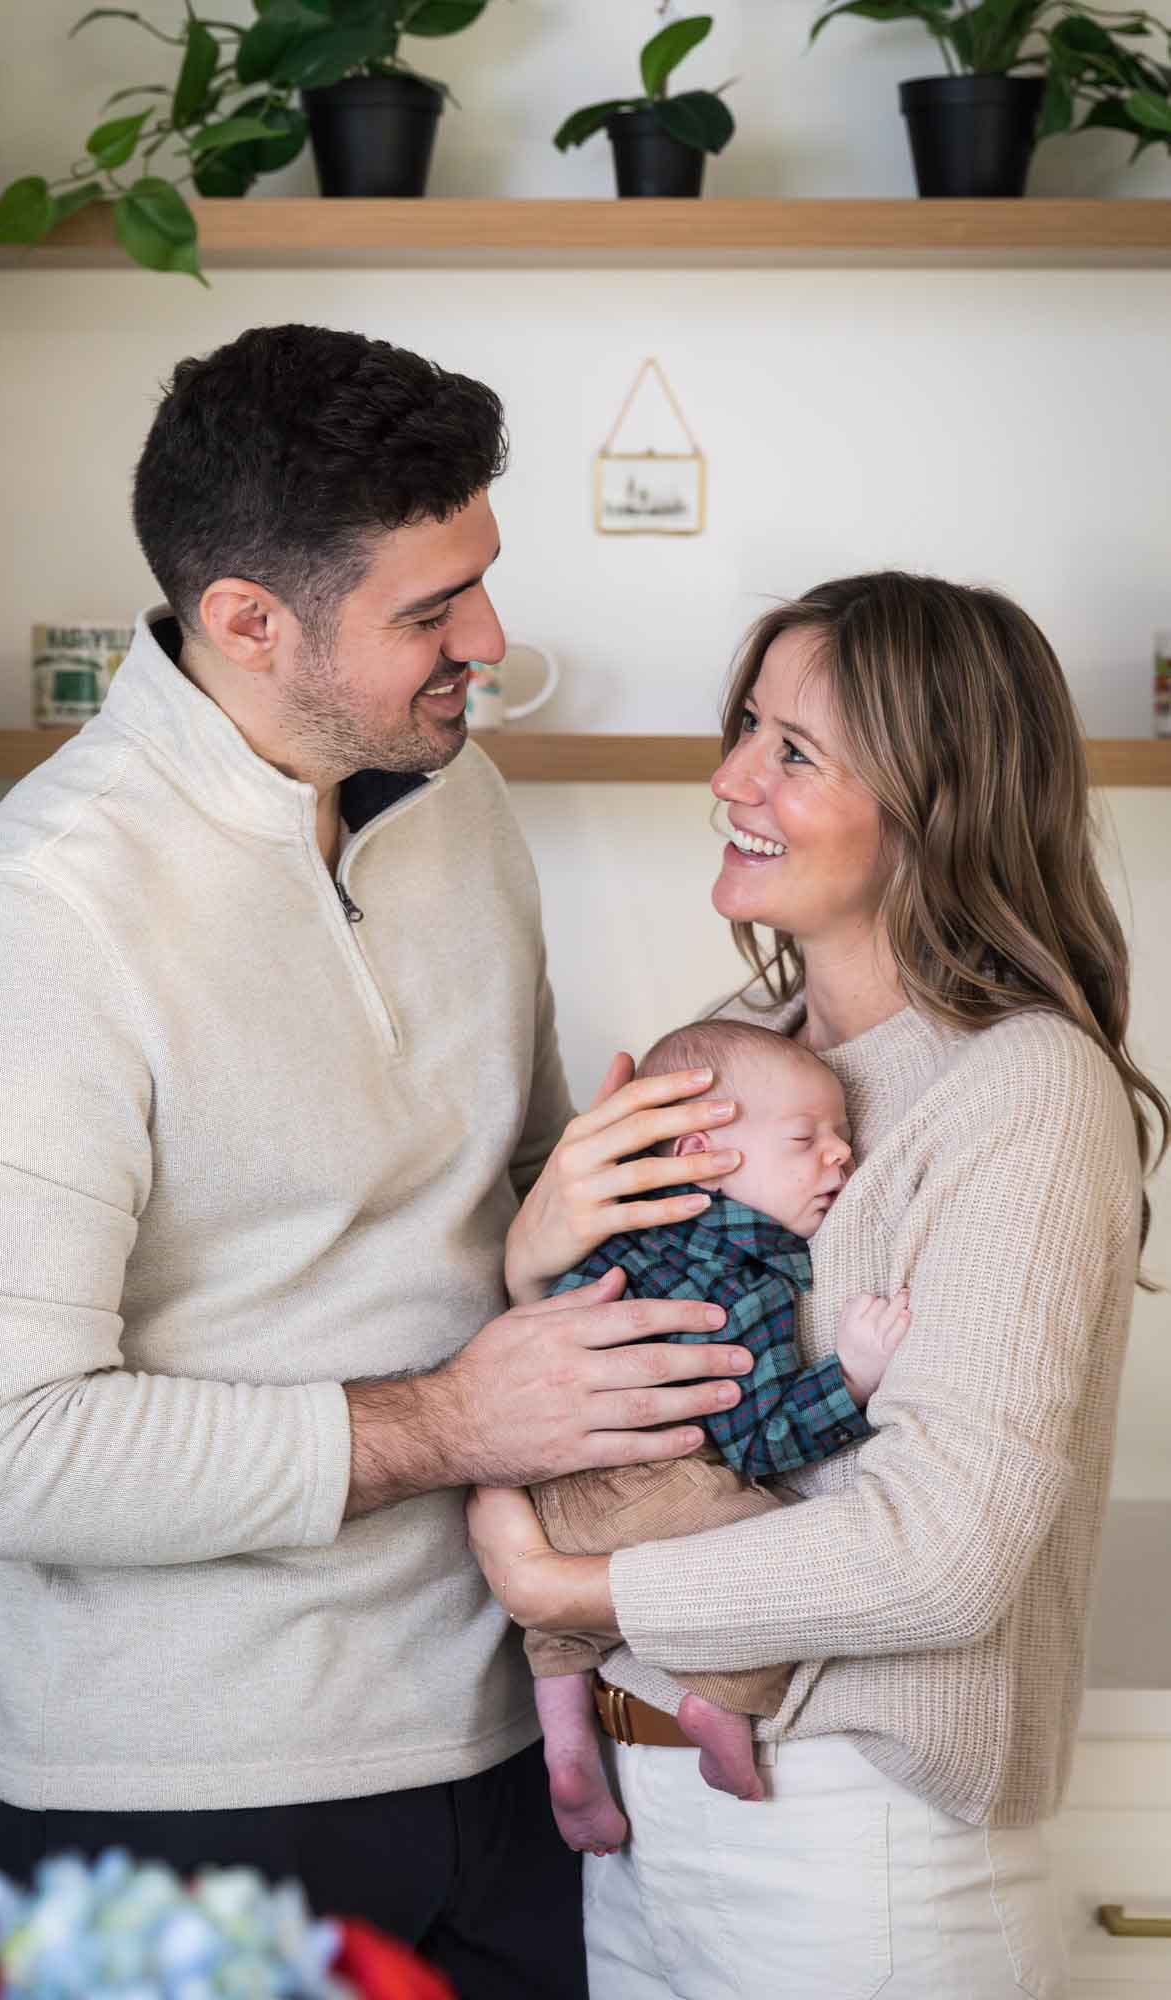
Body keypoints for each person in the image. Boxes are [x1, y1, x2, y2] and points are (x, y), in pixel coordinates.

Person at [0, 324, 764, 1998]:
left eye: (481, 579)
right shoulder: (41, 922)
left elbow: (506, 1203)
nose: (487, 640)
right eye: (430, 611)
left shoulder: (455, 795)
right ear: (246, 623)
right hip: (186, 1811)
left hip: (509, 1742)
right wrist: (448, 1420)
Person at [469, 570, 1168, 2000]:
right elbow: (592, 1362)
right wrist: (535, 1245)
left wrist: (572, 1582)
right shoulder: (737, 1045)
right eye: (744, 728)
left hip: (856, 1845)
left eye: (793, 751)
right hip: (643, 1807)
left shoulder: (1024, 1091)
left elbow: (941, 1552)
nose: (728, 776)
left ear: (939, 801)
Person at [525, 1015, 911, 1856]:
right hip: (649, 1483)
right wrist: (850, 1375)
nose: (840, 1155)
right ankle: (721, 1701)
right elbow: (759, 1441)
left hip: (544, 1483)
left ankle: (563, 1749)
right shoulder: (743, 1273)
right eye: (806, 1138)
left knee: (559, 1623)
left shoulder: (614, 1228)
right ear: (699, 1151)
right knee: (775, 1559)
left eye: (843, 1135)